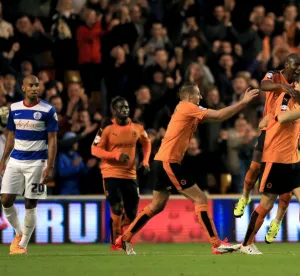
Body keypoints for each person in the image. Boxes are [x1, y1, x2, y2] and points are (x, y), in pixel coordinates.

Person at [115, 82, 259, 255]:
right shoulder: (186, 107)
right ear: (190, 97)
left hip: (163, 160)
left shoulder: (187, 110)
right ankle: (216, 243)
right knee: (200, 199)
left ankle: (124, 238)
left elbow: (218, 117)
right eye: (198, 94)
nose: (201, 97)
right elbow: (219, 115)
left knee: (157, 205)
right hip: (169, 161)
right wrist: (243, 102)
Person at [234, 53, 300, 243]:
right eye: (295, 65)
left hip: (291, 150)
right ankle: (245, 199)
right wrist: (282, 88)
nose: (297, 68)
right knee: (256, 172)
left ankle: (277, 221)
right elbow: (281, 116)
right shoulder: (282, 89)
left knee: (284, 194)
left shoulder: (295, 94)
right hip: (275, 146)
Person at [0, 75, 58, 255]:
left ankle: (22, 245)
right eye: (31, 85)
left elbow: (52, 139)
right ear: (23, 88)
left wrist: (50, 165)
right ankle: (19, 233)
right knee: (5, 200)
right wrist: (3, 160)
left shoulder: (48, 110)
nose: (34, 88)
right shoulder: (14, 108)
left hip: (38, 163)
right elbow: (10, 136)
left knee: (30, 203)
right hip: (15, 160)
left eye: (37, 85)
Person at [91, 96, 151, 250]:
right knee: (117, 207)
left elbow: (146, 143)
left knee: (132, 215)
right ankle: (116, 240)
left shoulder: (137, 127)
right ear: (114, 111)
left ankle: (118, 230)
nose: (124, 110)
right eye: (121, 108)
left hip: (130, 175)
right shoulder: (106, 128)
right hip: (110, 173)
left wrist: (145, 161)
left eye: (126, 107)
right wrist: (115, 156)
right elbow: (95, 149)